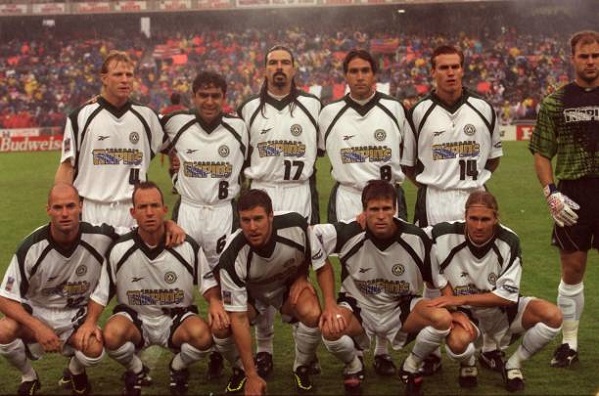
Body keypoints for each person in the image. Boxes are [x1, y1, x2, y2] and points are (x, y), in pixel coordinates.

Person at [312, 180, 471, 396]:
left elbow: (438, 282)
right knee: (330, 328)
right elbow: (306, 235)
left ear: (395, 210)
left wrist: (456, 311)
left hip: (400, 309)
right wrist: (317, 293)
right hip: (359, 308)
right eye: (373, 209)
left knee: (442, 319)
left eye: (386, 209)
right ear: (364, 211)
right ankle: (353, 365)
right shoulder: (348, 232)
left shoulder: (416, 238)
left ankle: (411, 365)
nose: (380, 216)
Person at [400, 44, 504, 374]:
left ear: (463, 69)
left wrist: (468, 187)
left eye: (455, 66)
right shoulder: (419, 112)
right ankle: (433, 347)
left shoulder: (484, 108)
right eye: (443, 67)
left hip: (472, 195)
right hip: (434, 199)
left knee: (479, 271)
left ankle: (488, 345)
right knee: (434, 274)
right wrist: (437, 181)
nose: (450, 73)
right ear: (432, 72)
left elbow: (494, 158)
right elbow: (409, 166)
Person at [79, 181, 226, 396]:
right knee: (111, 335)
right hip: (135, 319)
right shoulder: (119, 249)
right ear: (133, 212)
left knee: (203, 336)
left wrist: (214, 301)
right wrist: (90, 322)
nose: (149, 213)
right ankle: (136, 369)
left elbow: (208, 283)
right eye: (142, 207)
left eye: (155, 206)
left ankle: (178, 367)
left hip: (175, 318)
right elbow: (101, 293)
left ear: (165, 210)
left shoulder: (187, 246)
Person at [318, 48, 410, 375]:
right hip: (347, 197)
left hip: (387, 199)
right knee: (351, 267)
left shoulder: (396, 109)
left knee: (389, 265)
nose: (359, 77)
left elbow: (408, 158)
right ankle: (356, 336)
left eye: (365, 71)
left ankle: (383, 349)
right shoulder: (328, 114)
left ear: (375, 75)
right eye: (353, 71)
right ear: (345, 76)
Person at [237, 45, 321, 378]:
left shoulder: (314, 107)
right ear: (265, 69)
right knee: (257, 275)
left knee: (298, 274)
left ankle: (303, 356)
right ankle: (265, 349)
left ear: (295, 67)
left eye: (285, 62)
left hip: (299, 194)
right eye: (273, 63)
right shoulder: (248, 110)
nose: (279, 68)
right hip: (262, 193)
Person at [161, 70, 250, 379]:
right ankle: (192, 348)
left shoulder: (240, 127)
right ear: (193, 97)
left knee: (225, 284)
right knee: (183, 284)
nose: (210, 101)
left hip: (224, 214)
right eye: (204, 95)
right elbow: (150, 141)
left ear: (224, 98)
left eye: (216, 96)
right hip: (188, 212)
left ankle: (226, 352)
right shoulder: (176, 123)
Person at [427, 191, 562, 392]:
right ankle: (469, 361)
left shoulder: (509, 241)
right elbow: (408, 234)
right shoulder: (442, 234)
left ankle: (513, 364)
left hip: (502, 312)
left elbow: (506, 297)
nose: (479, 226)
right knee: (457, 343)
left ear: (496, 218)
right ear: (465, 216)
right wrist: (364, 221)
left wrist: (456, 299)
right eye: (473, 218)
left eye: (485, 219)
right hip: (467, 316)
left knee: (553, 316)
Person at [0, 183, 117, 396]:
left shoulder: (100, 236)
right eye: (58, 207)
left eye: (70, 206)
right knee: (3, 331)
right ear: (48, 210)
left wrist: (169, 227)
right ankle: (29, 377)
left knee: (95, 349)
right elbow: (5, 298)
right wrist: (38, 327)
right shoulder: (31, 247)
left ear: (81, 206)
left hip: (74, 316)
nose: (65, 213)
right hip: (38, 311)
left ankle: (75, 370)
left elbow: (140, 234)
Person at [216, 189, 337, 395]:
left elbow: (321, 264)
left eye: (258, 219)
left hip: (285, 287)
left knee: (312, 312)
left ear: (271, 215)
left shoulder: (296, 225)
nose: (252, 227)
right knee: (220, 326)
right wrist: (252, 376)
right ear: (239, 220)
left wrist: (309, 283)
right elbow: (238, 318)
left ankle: (301, 365)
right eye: (245, 220)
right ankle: (242, 370)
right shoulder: (231, 255)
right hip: (251, 294)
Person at [529, 30, 599, 368]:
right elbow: (542, 153)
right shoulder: (556, 101)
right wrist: (550, 192)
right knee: (573, 269)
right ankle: (569, 343)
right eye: (584, 56)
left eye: (596, 56)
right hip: (574, 191)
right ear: (572, 58)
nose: (591, 61)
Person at [55, 50, 167, 234]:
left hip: (133, 210)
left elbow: (179, 142)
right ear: (104, 78)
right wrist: (61, 207)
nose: (125, 80)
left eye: (129, 75)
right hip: (92, 208)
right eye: (118, 74)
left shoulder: (148, 116)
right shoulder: (80, 117)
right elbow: (67, 166)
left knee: (131, 264)